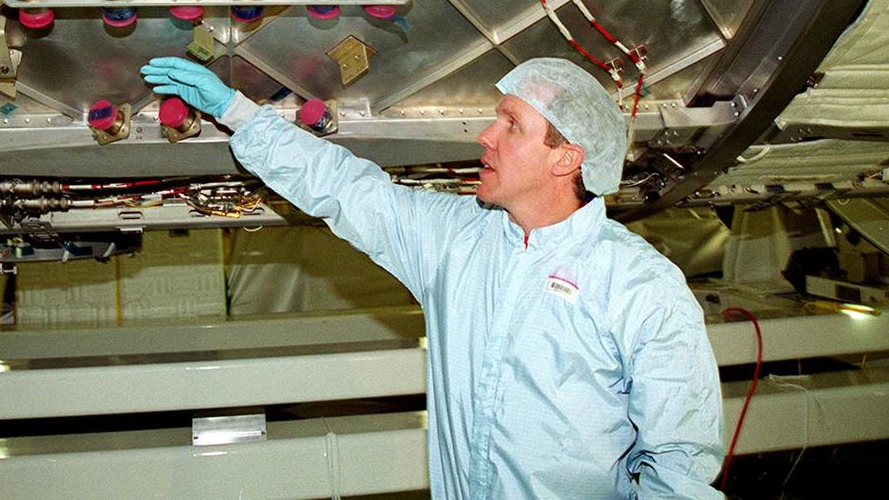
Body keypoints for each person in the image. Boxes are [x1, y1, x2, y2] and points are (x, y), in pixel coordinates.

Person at [141, 55, 724, 500]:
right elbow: (344, 188)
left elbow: (679, 466)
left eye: (511, 126)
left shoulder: (639, 286)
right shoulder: (456, 239)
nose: (486, 137)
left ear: (565, 158)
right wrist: (236, 111)